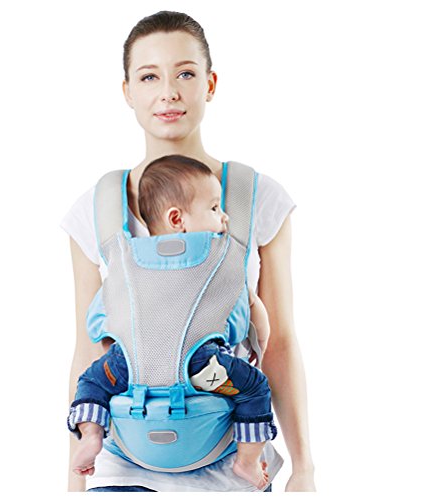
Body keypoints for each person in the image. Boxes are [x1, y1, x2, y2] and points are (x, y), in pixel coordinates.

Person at [61, 10, 316, 492]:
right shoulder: (96, 209)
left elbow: (279, 342)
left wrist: (304, 469)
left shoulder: (254, 198)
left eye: (185, 74)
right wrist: (73, 483)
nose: (168, 93)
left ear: (210, 83)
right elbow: (88, 349)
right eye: (149, 77)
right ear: (127, 91)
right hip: (123, 463)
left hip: (228, 466)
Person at [67, 155, 277, 490]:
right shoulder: (219, 260)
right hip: (202, 367)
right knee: (254, 388)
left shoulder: (127, 261)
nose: (224, 217)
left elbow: (98, 322)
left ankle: (91, 433)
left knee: (91, 382)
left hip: (127, 365)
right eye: (214, 208)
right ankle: (247, 460)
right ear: (177, 219)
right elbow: (251, 312)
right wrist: (261, 343)